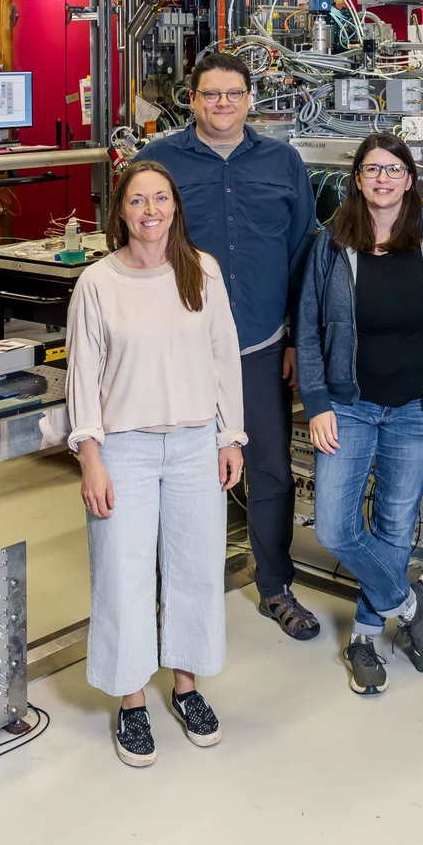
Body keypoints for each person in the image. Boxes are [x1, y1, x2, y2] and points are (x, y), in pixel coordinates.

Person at [64, 160, 246, 768]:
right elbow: (83, 377)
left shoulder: (202, 270)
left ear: (175, 206)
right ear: (120, 211)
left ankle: (188, 688)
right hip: (126, 449)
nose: (150, 211)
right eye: (138, 201)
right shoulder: (97, 283)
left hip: (196, 443)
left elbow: (225, 360)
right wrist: (91, 456)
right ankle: (132, 700)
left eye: (160, 199)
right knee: (123, 575)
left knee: (196, 568)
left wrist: (231, 437)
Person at [142, 53, 322, 642]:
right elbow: (136, 249)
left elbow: (303, 257)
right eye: (211, 94)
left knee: (269, 470)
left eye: (234, 93)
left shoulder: (283, 162)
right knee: (183, 473)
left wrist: (298, 335)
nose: (223, 103)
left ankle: (275, 587)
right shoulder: (159, 162)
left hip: (263, 344)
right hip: (182, 349)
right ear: (191, 100)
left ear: (250, 99)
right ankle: (179, 591)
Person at [296, 133, 423, 696]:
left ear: (410, 179)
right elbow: (310, 330)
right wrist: (317, 401)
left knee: (393, 527)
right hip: (350, 406)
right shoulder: (334, 242)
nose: (383, 179)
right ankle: (410, 600)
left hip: (417, 409)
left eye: (393, 170)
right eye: (372, 170)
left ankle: (365, 636)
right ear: (357, 181)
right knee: (337, 527)